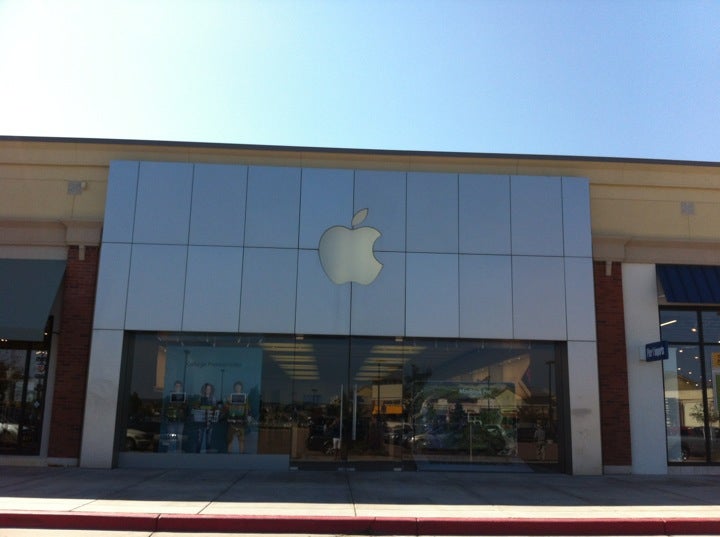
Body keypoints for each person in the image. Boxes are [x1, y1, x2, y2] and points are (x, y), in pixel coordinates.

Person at [163, 380, 187, 452]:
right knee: (172, 438)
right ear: (174, 387)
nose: (177, 388)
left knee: (179, 439)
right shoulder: (169, 397)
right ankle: (170, 455)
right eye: (176, 386)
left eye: (179, 386)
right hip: (171, 421)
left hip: (180, 421)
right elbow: (166, 409)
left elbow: (186, 409)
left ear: (181, 388)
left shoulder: (184, 398)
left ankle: (178, 456)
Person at [194, 382, 219, 453]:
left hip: (210, 421)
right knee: (199, 440)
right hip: (201, 421)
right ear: (204, 390)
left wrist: (213, 411)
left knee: (208, 440)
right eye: (207, 389)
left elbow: (216, 409)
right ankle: (196, 456)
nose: (208, 390)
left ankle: (208, 458)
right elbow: (196, 408)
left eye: (209, 389)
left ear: (211, 390)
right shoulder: (200, 398)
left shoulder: (213, 399)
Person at [226, 381, 249, 454]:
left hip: (241, 422)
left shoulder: (245, 398)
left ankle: (241, 456)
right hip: (232, 421)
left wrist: (247, 417)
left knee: (241, 440)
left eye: (239, 387)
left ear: (241, 388)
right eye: (236, 387)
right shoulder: (230, 397)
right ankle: (229, 456)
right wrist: (228, 402)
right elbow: (226, 408)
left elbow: (247, 409)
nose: (238, 388)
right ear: (234, 388)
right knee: (230, 440)